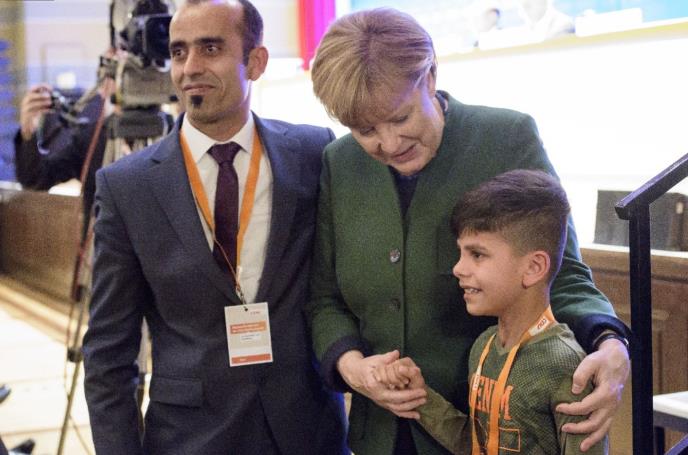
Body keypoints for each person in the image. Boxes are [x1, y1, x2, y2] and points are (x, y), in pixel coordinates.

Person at [306, 8, 630, 455]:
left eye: (400, 118)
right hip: (378, 435)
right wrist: (354, 368)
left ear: (430, 76)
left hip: (488, 428)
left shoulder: (506, 138)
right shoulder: (339, 163)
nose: (389, 144)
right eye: (365, 130)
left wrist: (610, 343)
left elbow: (562, 271)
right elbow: (326, 300)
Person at [82, 1, 347, 454]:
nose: (190, 68)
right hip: (190, 436)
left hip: (306, 429)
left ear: (255, 62)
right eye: (179, 52)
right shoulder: (128, 187)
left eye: (210, 49)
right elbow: (109, 353)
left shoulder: (311, 153)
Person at [375, 169, 608, 454]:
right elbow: (476, 444)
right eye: (461, 253)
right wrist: (420, 397)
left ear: (533, 267)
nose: (458, 268)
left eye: (477, 254)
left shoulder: (565, 365)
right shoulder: (484, 347)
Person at [13, 56, 116, 238]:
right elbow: (36, 179)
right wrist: (28, 131)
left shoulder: (167, 130)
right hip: (102, 248)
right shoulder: (91, 137)